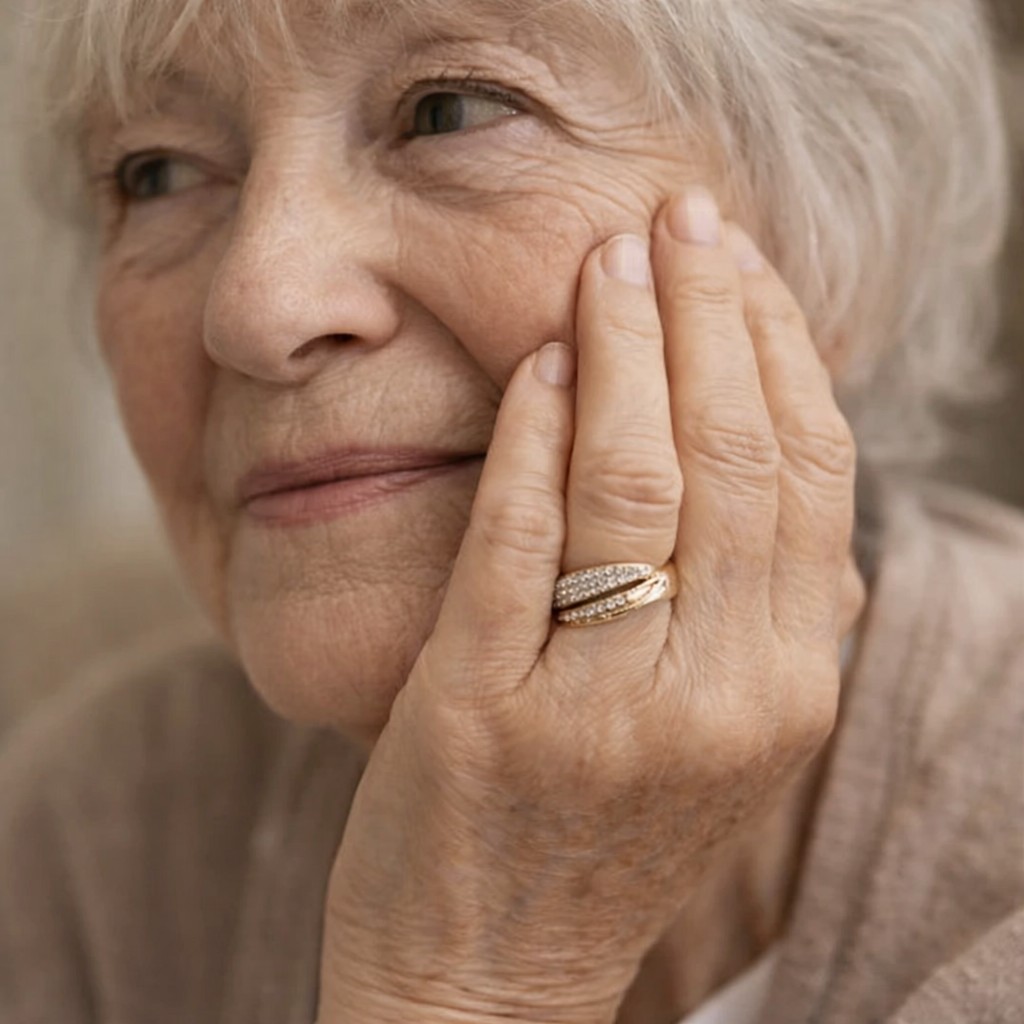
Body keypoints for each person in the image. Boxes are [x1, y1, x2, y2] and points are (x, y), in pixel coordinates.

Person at [2, 1, 1021, 1022]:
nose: (258, 306)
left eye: (448, 109)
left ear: (837, 231)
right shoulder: (92, 841)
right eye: (157, 173)